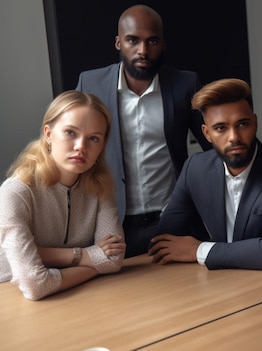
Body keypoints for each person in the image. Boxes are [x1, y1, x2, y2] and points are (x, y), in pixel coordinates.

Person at [75, 5, 211, 257]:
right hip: (113, 226)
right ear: (118, 42)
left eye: (152, 41)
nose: (143, 50)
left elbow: (214, 146)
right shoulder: (90, 84)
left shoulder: (185, 84)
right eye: (132, 40)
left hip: (173, 221)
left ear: (163, 44)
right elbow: (72, 153)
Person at [147, 78, 262, 271]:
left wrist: (199, 250)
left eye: (243, 124)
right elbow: (163, 241)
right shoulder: (195, 168)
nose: (234, 137)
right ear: (207, 133)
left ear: (255, 122)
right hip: (217, 282)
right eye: (221, 128)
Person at [0, 91, 126, 300]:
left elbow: (113, 260)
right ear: (48, 134)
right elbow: (35, 285)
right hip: (10, 299)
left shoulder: (100, 188)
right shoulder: (15, 192)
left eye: (93, 138)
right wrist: (88, 257)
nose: (81, 147)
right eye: (70, 133)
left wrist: (39, 253)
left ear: (102, 145)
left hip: (76, 296)